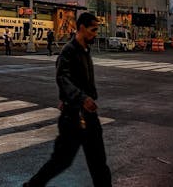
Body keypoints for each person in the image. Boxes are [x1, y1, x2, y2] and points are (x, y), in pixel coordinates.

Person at [24, 13, 111, 187]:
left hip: (88, 116)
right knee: (61, 161)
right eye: (93, 30)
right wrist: (81, 98)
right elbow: (63, 78)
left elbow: (76, 81)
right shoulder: (69, 51)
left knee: (98, 163)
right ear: (81, 28)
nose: (95, 34)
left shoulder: (85, 49)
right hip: (73, 118)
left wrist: (84, 98)